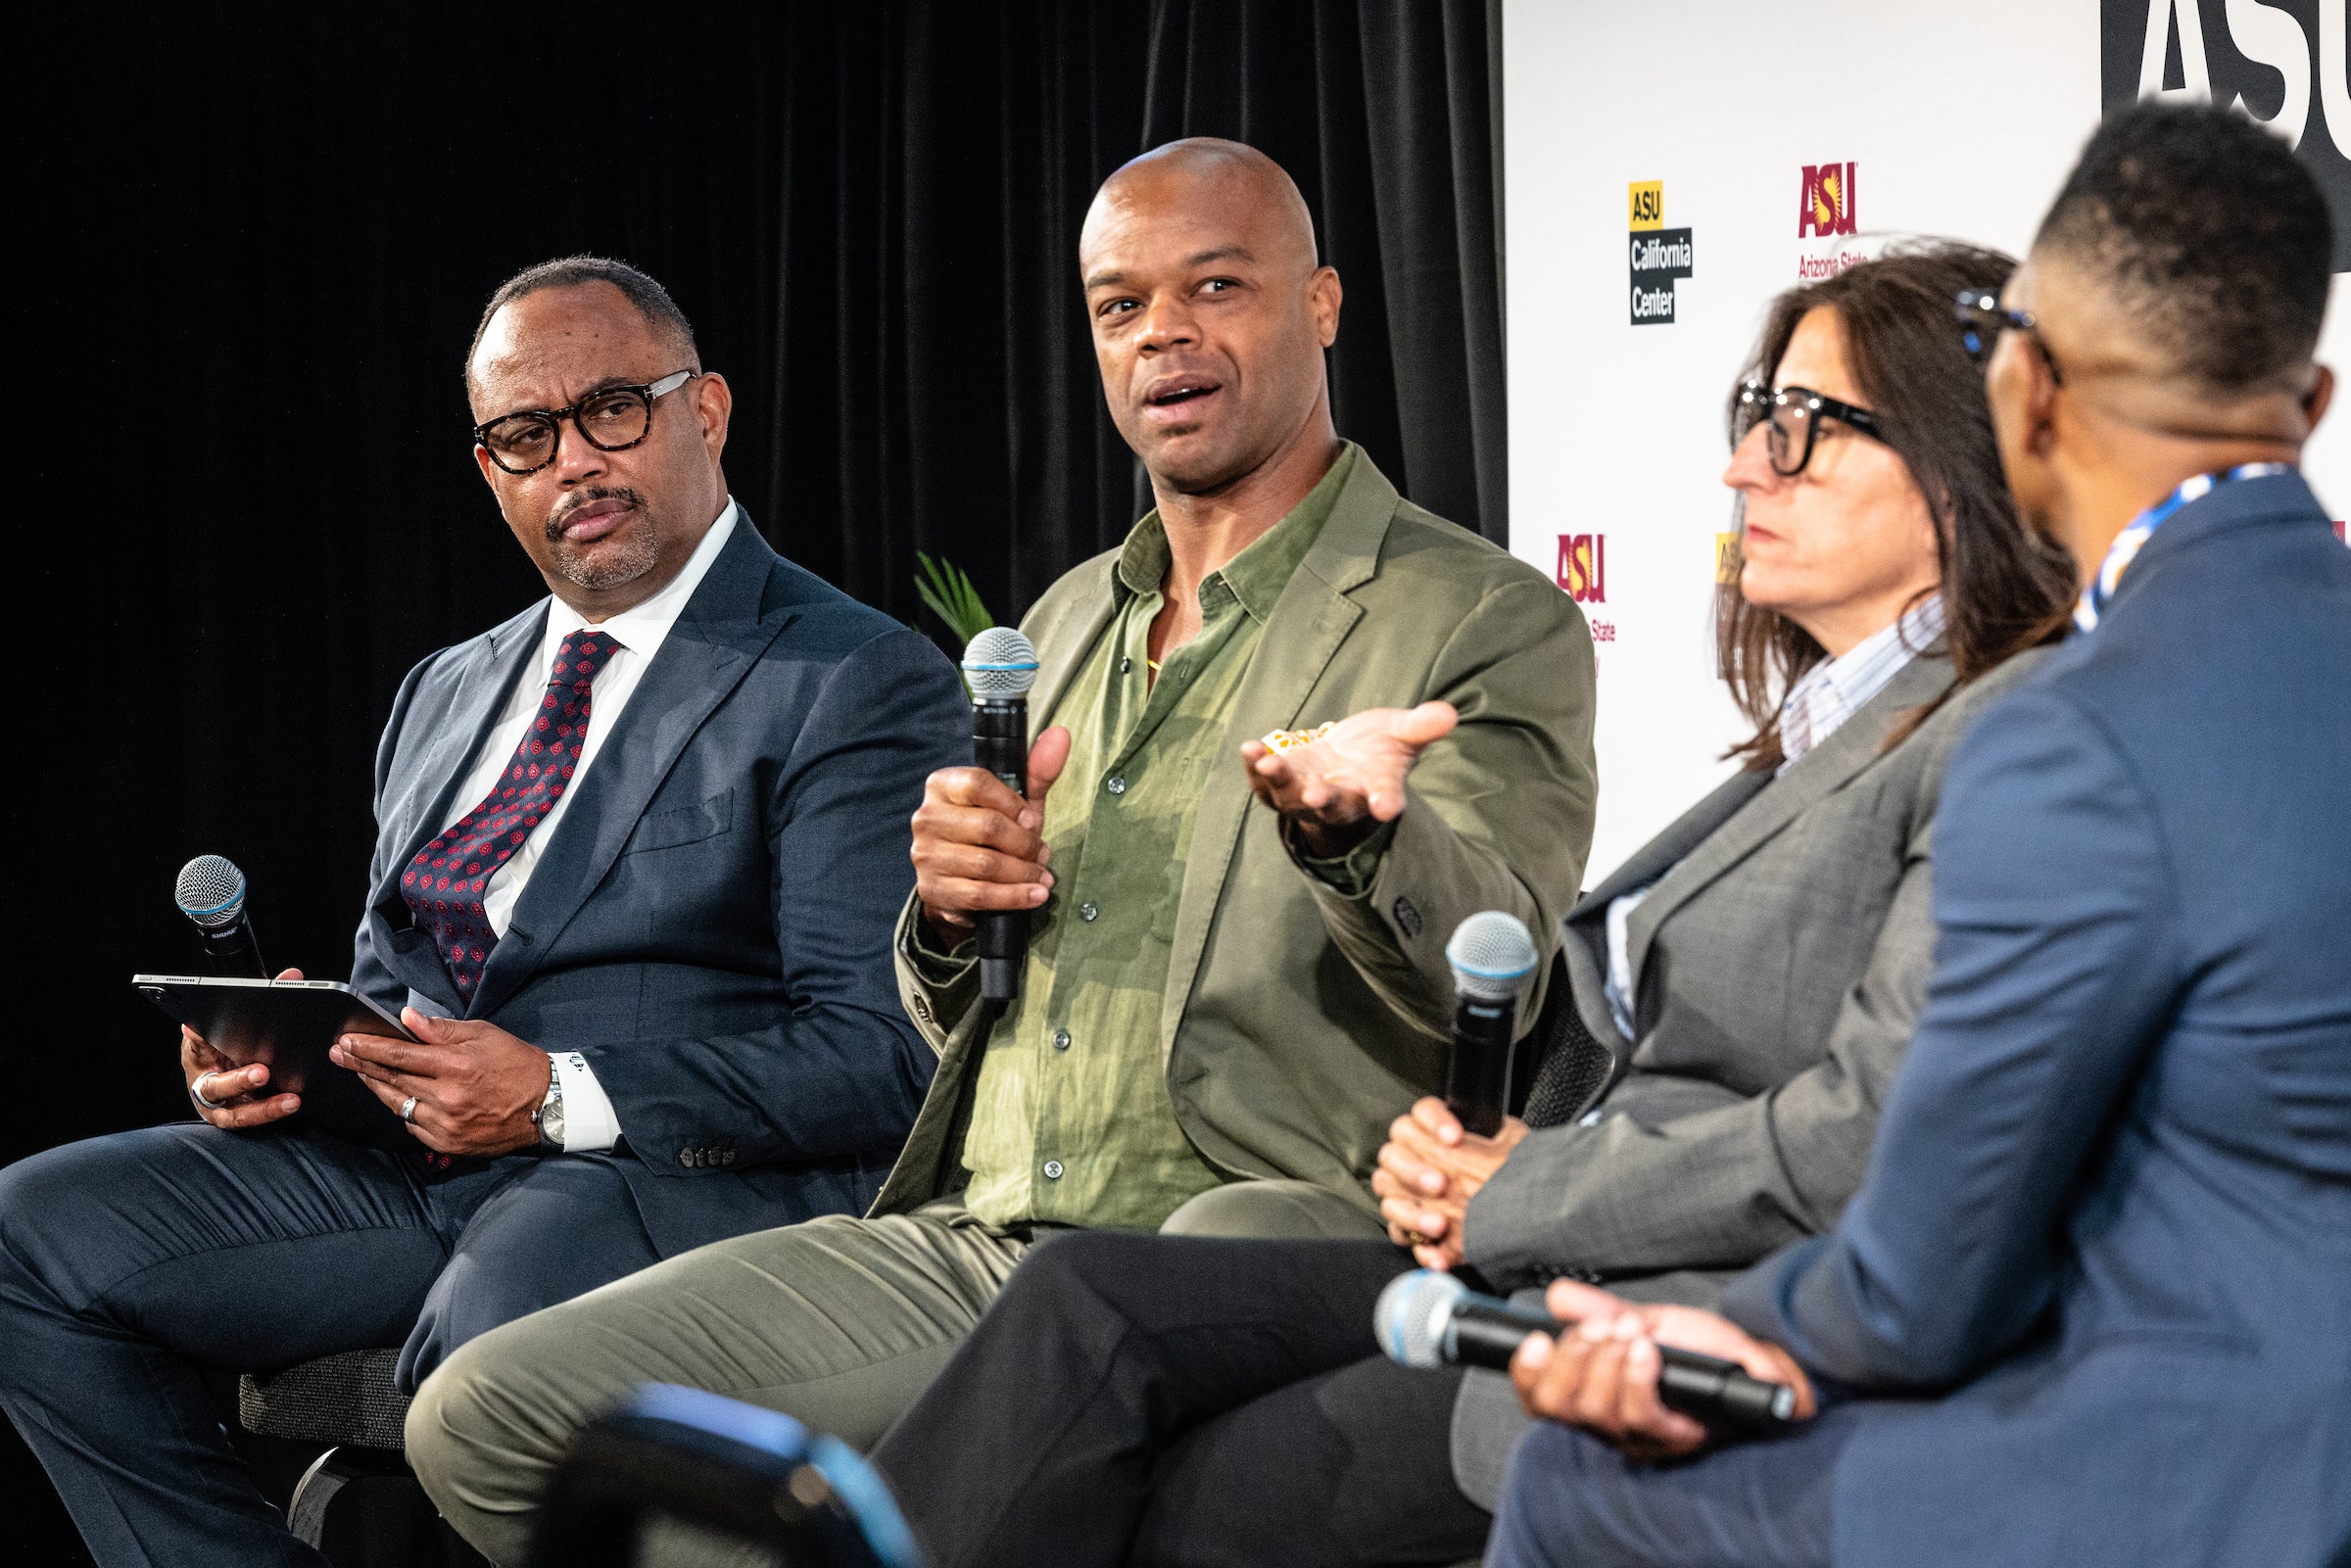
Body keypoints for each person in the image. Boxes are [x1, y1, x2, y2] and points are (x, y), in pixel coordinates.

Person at [405, 137, 1597, 1565]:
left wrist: (1362, 839)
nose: (1164, 333)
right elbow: (952, 1007)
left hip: (1241, 1227)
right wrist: (950, 912)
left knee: (1091, 1354)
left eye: (1215, 286)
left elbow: (1508, 983)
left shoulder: (1477, 615)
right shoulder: (1072, 618)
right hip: (982, 1229)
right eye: (1118, 305)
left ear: (1325, 304)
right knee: (483, 1413)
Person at [857, 242, 2078, 1568]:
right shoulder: (1831, 729)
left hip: (1688, 1297)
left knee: (1151, 1446)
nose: (1744, 469)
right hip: (1549, 1249)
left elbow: (1872, 1130)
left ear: (1974, 450)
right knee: (1085, 1304)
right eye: (1750, 422)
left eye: (1800, 429)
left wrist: (1526, 1185)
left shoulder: (2006, 728)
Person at [0, 257, 970, 1568]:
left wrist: (559, 1094)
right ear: (490, 468)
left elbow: (882, 1051)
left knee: (487, 1351)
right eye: (527, 433)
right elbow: (394, 989)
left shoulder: (849, 673)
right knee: (27, 1235)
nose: (576, 458)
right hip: (411, 1173)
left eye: (615, 408)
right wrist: (293, 1057)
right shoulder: (443, 692)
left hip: (653, 1185)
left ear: (710, 411)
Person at [1485, 101, 2351, 1568]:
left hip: (2209, 1472)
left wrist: (1673, 1328)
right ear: (2313, 402)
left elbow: (1919, 1287)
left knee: (1574, 1484)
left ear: (2023, 390)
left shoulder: (2067, 729)